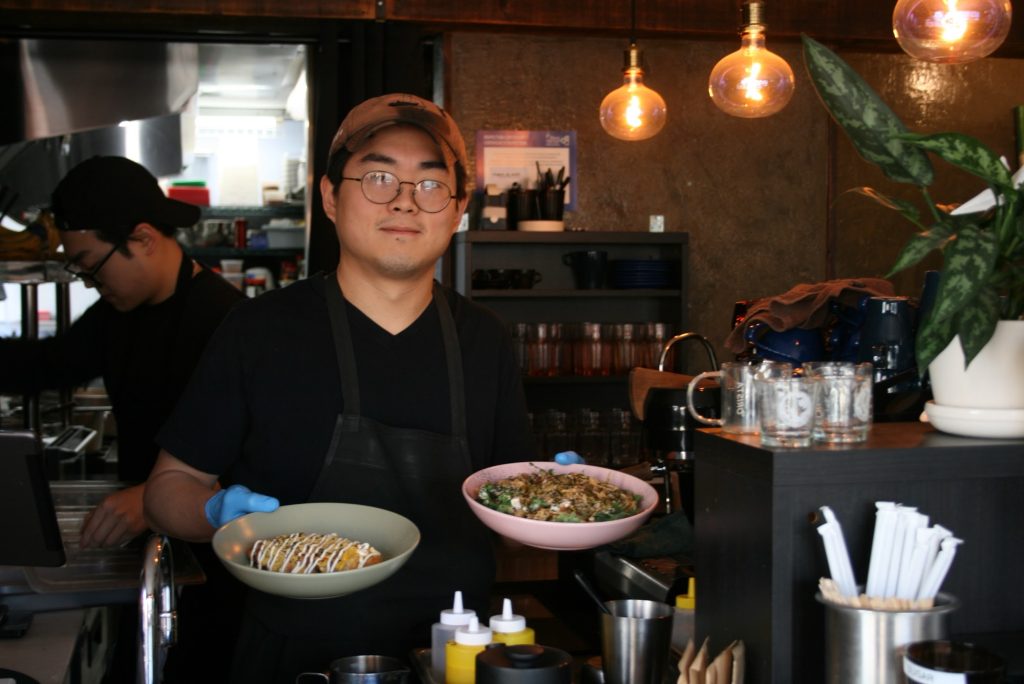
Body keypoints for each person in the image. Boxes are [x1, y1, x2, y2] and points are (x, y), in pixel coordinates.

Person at [144, 93, 541, 682]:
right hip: (292, 659)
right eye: (379, 176)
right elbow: (166, 489)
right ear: (330, 197)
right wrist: (212, 511)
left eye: (432, 184)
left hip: (457, 654)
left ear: (457, 211)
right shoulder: (260, 330)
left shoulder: (484, 338)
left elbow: (512, 507)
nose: (406, 200)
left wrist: (557, 504)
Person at [0, 155, 246, 682]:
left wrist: (158, 495)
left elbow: (265, 462)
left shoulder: (227, 322)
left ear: (142, 237)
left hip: (215, 572)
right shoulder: (118, 314)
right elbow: (48, 364)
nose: (89, 281)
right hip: (148, 559)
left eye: (90, 263)